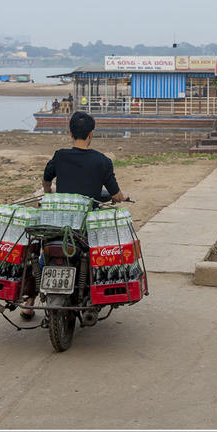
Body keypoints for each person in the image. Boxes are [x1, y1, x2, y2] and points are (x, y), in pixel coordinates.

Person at [20, 112, 128, 319]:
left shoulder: (60, 155)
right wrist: (122, 198)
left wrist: (48, 191)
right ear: (91, 134)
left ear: (70, 132)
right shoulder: (102, 161)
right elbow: (115, 194)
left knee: (42, 256)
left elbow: (46, 178)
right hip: (84, 228)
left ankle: (29, 299)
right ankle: (94, 293)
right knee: (97, 253)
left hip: (57, 225)